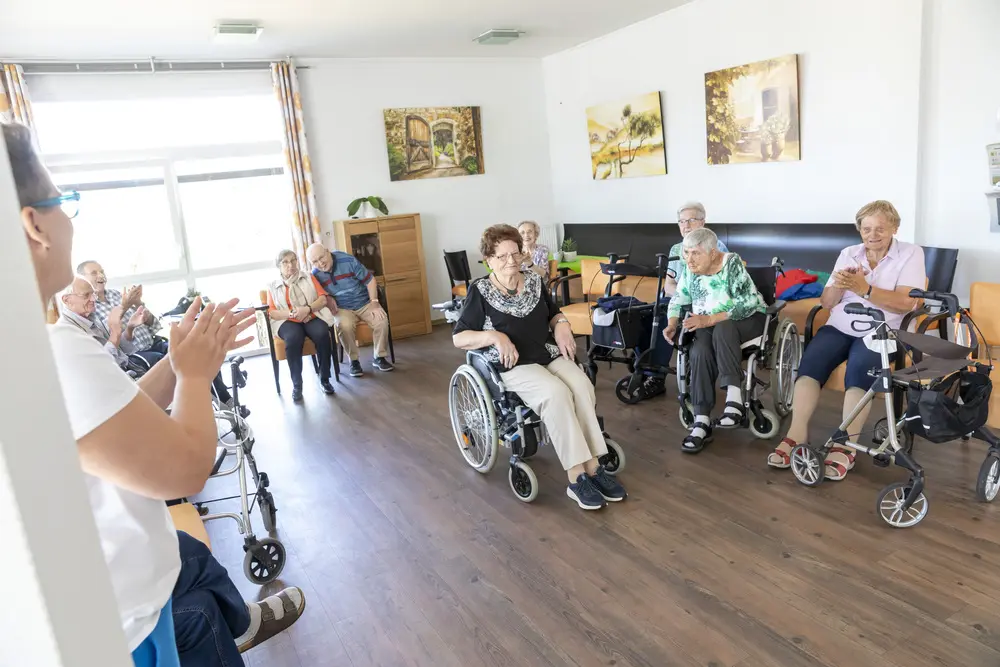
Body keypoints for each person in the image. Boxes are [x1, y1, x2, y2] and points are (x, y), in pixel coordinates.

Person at [3, 122, 304, 667]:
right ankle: (226, 629)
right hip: (123, 621)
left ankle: (237, 622)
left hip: (84, 598)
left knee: (188, 553)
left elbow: (116, 416)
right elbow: (187, 470)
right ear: (34, 224)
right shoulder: (51, 353)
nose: (69, 218)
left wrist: (175, 358)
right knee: (192, 580)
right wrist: (193, 377)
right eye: (64, 201)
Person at [453, 224, 627, 510]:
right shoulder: (480, 290)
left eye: (515, 254)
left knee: (581, 384)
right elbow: (460, 337)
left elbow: (554, 312)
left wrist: (561, 325)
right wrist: (495, 336)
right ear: (489, 260)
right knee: (556, 394)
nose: (511, 261)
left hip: (547, 352)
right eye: (502, 256)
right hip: (513, 364)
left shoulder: (533, 280)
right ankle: (576, 478)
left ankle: (595, 467)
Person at [768, 200, 926, 480]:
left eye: (880, 228)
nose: (872, 234)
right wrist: (839, 285)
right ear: (859, 230)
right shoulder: (849, 253)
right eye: (866, 229)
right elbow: (827, 303)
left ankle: (845, 445)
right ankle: (796, 433)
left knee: (858, 372)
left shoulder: (911, 254)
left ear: (895, 228)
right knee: (811, 366)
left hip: (882, 329)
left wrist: (865, 290)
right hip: (841, 324)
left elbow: (905, 303)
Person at [78, 260, 239, 409]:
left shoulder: (115, 294)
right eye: (94, 273)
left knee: (197, 350)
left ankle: (222, 398)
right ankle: (219, 402)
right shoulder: (90, 307)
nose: (101, 276)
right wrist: (126, 308)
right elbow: (111, 331)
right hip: (136, 355)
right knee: (182, 361)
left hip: (154, 342)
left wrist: (139, 304)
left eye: (102, 271)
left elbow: (154, 325)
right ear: (82, 279)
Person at [664, 228, 768, 454]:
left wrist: (709, 319)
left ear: (713, 253)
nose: (689, 260)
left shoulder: (731, 263)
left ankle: (734, 398)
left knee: (723, 326)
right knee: (699, 349)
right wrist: (672, 324)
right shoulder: (691, 270)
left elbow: (746, 304)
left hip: (747, 319)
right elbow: (677, 299)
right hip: (706, 323)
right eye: (686, 253)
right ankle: (701, 420)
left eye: (695, 253)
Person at [634, 201, 731, 398]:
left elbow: (715, 287)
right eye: (681, 221)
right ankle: (645, 368)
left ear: (703, 222)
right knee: (642, 314)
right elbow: (668, 284)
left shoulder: (716, 247)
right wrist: (679, 295)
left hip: (702, 305)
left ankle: (656, 377)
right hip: (676, 299)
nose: (685, 225)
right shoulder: (676, 249)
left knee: (661, 316)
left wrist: (685, 297)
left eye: (691, 220)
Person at [306, 242, 394, 377]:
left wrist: (374, 303)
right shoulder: (315, 274)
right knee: (343, 325)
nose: (320, 263)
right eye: (315, 262)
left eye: (321, 257)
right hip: (342, 308)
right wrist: (328, 298)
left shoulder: (347, 260)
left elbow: (370, 280)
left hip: (364, 302)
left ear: (327, 251)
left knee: (381, 320)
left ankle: (379, 357)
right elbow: (319, 295)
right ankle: (354, 361)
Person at [266, 249, 336, 402]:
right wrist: (292, 314)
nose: (290, 265)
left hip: (311, 315)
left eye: (293, 260)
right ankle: (297, 384)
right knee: (292, 339)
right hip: (287, 320)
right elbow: (272, 312)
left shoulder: (309, 277)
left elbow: (323, 300)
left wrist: (307, 310)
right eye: (285, 262)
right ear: (279, 266)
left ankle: (325, 379)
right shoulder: (272, 286)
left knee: (322, 334)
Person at [58, 275, 143, 368]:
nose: (93, 299)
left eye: (93, 294)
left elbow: (119, 349)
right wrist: (114, 335)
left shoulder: (90, 315)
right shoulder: (67, 332)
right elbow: (99, 367)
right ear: (66, 300)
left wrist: (130, 327)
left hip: (130, 367)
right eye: (86, 295)